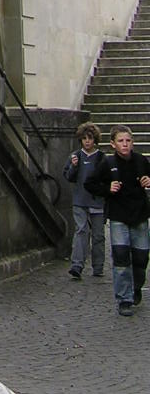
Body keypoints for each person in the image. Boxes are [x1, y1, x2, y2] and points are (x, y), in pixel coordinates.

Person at [84, 124, 150, 316]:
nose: (125, 144)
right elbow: (90, 183)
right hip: (118, 215)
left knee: (141, 258)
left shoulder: (141, 161)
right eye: (121, 141)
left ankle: (136, 287)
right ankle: (124, 299)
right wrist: (107, 189)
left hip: (139, 215)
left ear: (133, 143)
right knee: (121, 257)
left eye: (128, 140)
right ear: (113, 144)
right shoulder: (108, 162)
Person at [63, 122, 105, 279]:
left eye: (90, 138)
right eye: (84, 138)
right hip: (80, 200)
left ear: (95, 140)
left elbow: (106, 178)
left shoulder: (101, 157)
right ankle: (77, 265)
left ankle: (98, 266)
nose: (87, 141)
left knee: (98, 235)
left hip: (97, 201)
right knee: (81, 231)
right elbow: (68, 176)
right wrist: (74, 167)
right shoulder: (76, 156)